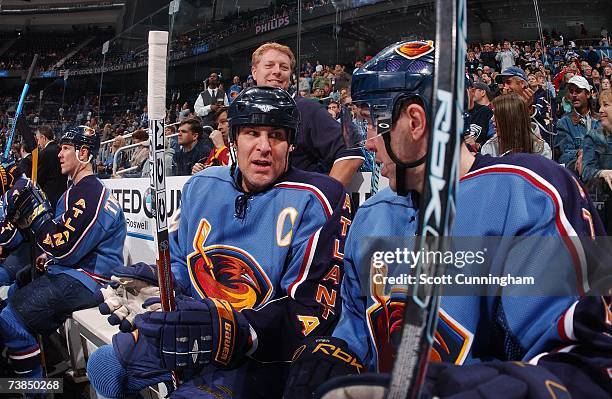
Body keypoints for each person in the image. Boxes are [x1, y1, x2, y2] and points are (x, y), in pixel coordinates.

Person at [285, 40, 610, 399]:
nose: (370, 145)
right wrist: (340, 354)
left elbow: (589, 363)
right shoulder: (372, 215)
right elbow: (358, 325)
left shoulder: (532, 193)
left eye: (372, 125)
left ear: (415, 121)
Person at [86, 87, 352, 399]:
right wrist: (161, 282)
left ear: (290, 144)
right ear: (233, 139)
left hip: (260, 354)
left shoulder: (319, 197)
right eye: (252, 133)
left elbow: (311, 311)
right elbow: (184, 262)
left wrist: (230, 329)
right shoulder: (202, 185)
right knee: (103, 365)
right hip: (194, 328)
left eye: (276, 135)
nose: (264, 147)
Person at [0, 125, 126, 378]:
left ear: (84, 153)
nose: (59, 154)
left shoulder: (91, 192)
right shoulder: (77, 191)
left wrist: (36, 216)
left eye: (66, 148)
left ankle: (34, 389)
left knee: (9, 319)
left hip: (88, 279)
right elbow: (64, 244)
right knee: (12, 293)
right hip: (73, 272)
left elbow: (65, 248)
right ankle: (39, 357)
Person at [250, 43, 363, 187]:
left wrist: (322, 200)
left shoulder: (306, 109)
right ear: (254, 72)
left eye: (284, 67)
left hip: (294, 206)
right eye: (269, 65)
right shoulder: (246, 113)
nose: (277, 71)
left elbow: (351, 153)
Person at [495, 66, 557, 146]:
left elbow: (551, 134)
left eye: (508, 82)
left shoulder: (544, 97)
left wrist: (529, 110)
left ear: (522, 83)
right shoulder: (503, 105)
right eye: (503, 84)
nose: (505, 87)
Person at [481, 93, 552, 159]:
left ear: (511, 118)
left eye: (497, 115)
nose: (492, 119)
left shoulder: (541, 149)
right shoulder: (490, 147)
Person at [555, 75, 600, 172]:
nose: (574, 95)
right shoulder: (564, 122)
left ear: (588, 94)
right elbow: (564, 156)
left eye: (578, 91)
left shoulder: (600, 120)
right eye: (571, 91)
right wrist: (580, 153)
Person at [582, 89, 612, 230]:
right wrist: (602, 173)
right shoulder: (593, 137)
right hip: (605, 199)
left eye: (606, 105)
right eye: (600, 105)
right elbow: (586, 171)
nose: (600, 110)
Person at [36, 125, 67, 212]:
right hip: (62, 195)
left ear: (43, 137)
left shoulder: (44, 153)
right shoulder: (61, 150)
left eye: (38, 139)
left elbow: (39, 179)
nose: (38, 143)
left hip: (49, 198)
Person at [191, 106, 230, 173]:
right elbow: (209, 166)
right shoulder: (218, 146)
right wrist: (199, 169)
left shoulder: (242, 145)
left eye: (223, 122)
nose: (219, 127)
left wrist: (221, 147)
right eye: (218, 124)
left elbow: (231, 171)